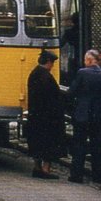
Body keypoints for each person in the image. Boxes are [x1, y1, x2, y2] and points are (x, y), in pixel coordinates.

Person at [67, 49, 101, 183]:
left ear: (89, 60)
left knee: (79, 145)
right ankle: (97, 175)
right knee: (97, 146)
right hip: (99, 115)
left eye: (86, 60)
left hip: (83, 113)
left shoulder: (82, 73)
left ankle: (76, 175)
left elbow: (72, 92)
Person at [25, 50, 65, 179]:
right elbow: (53, 97)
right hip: (48, 117)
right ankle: (45, 169)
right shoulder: (46, 77)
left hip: (36, 115)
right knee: (49, 143)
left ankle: (37, 167)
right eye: (52, 63)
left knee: (37, 143)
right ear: (48, 62)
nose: (52, 65)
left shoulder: (34, 74)